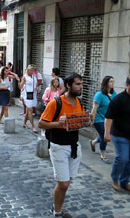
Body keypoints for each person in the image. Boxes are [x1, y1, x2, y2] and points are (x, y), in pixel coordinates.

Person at [38, 72, 91, 218]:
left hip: (74, 146)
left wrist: (87, 120)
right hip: (58, 146)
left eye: (82, 84)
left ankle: (57, 207)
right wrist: (58, 123)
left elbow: (77, 123)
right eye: (78, 84)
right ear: (68, 85)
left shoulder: (79, 102)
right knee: (63, 184)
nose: (81, 87)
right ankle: (57, 212)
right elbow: (41, 123)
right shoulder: (56, 102)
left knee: (67, 182)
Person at [104, 75, 130, 192]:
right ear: (128, 85)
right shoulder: (118, 100)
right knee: (123, 158)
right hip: (119, 134)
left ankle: (124, 181)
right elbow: (109, 118)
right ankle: (115, 179)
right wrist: (107, 133)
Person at [90, 76, 116, 163]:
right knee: (105, 136)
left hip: (108, 119)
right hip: (99, 119)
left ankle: (93, 142)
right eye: (111, 81)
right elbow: (94, 109)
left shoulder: (114, 94)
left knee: (105, 135)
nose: (113, 83)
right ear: (106, 83)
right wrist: (92, 120)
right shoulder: (99, 95)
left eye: (113, 81)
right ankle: (103, 154)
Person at [19, 65, 39, 133]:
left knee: (28, 110)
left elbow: (36, 84)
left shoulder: (34, 76)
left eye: (33, 70)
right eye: (31, 70)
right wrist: (19, 82)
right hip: (27, 95)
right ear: (28, 70)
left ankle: (24, 123)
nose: (32, 71)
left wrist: (36, 88)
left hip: (33, 94)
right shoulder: (25, 77)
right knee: (30, 109)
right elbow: (21, 86)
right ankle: (33, 126)